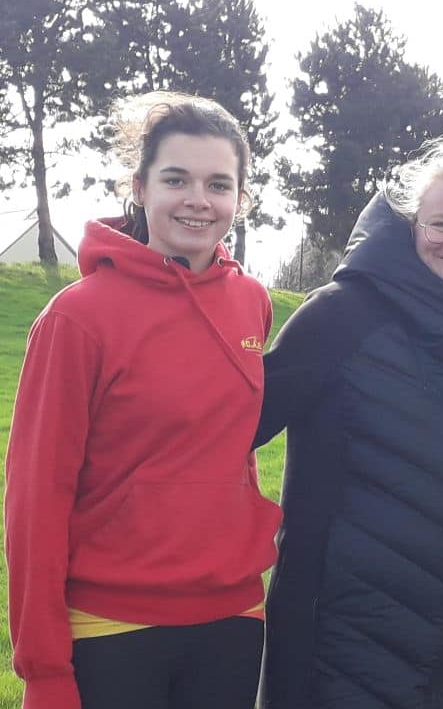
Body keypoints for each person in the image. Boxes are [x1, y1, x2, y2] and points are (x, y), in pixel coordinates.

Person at [254, 138, 443, 709]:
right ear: (410, 225)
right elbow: (229, 429)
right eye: (442, 223)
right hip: (340, 636)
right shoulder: (341, 315)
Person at [3, 91, 282, 709]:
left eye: (219, 184)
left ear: (241, 197)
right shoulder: (77, 317)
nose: (198, 200)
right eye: (176, 179)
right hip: (111, 623)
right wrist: (45, 669)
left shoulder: (252, 303)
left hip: (233, 614)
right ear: (140, 186)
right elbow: (35, 497)